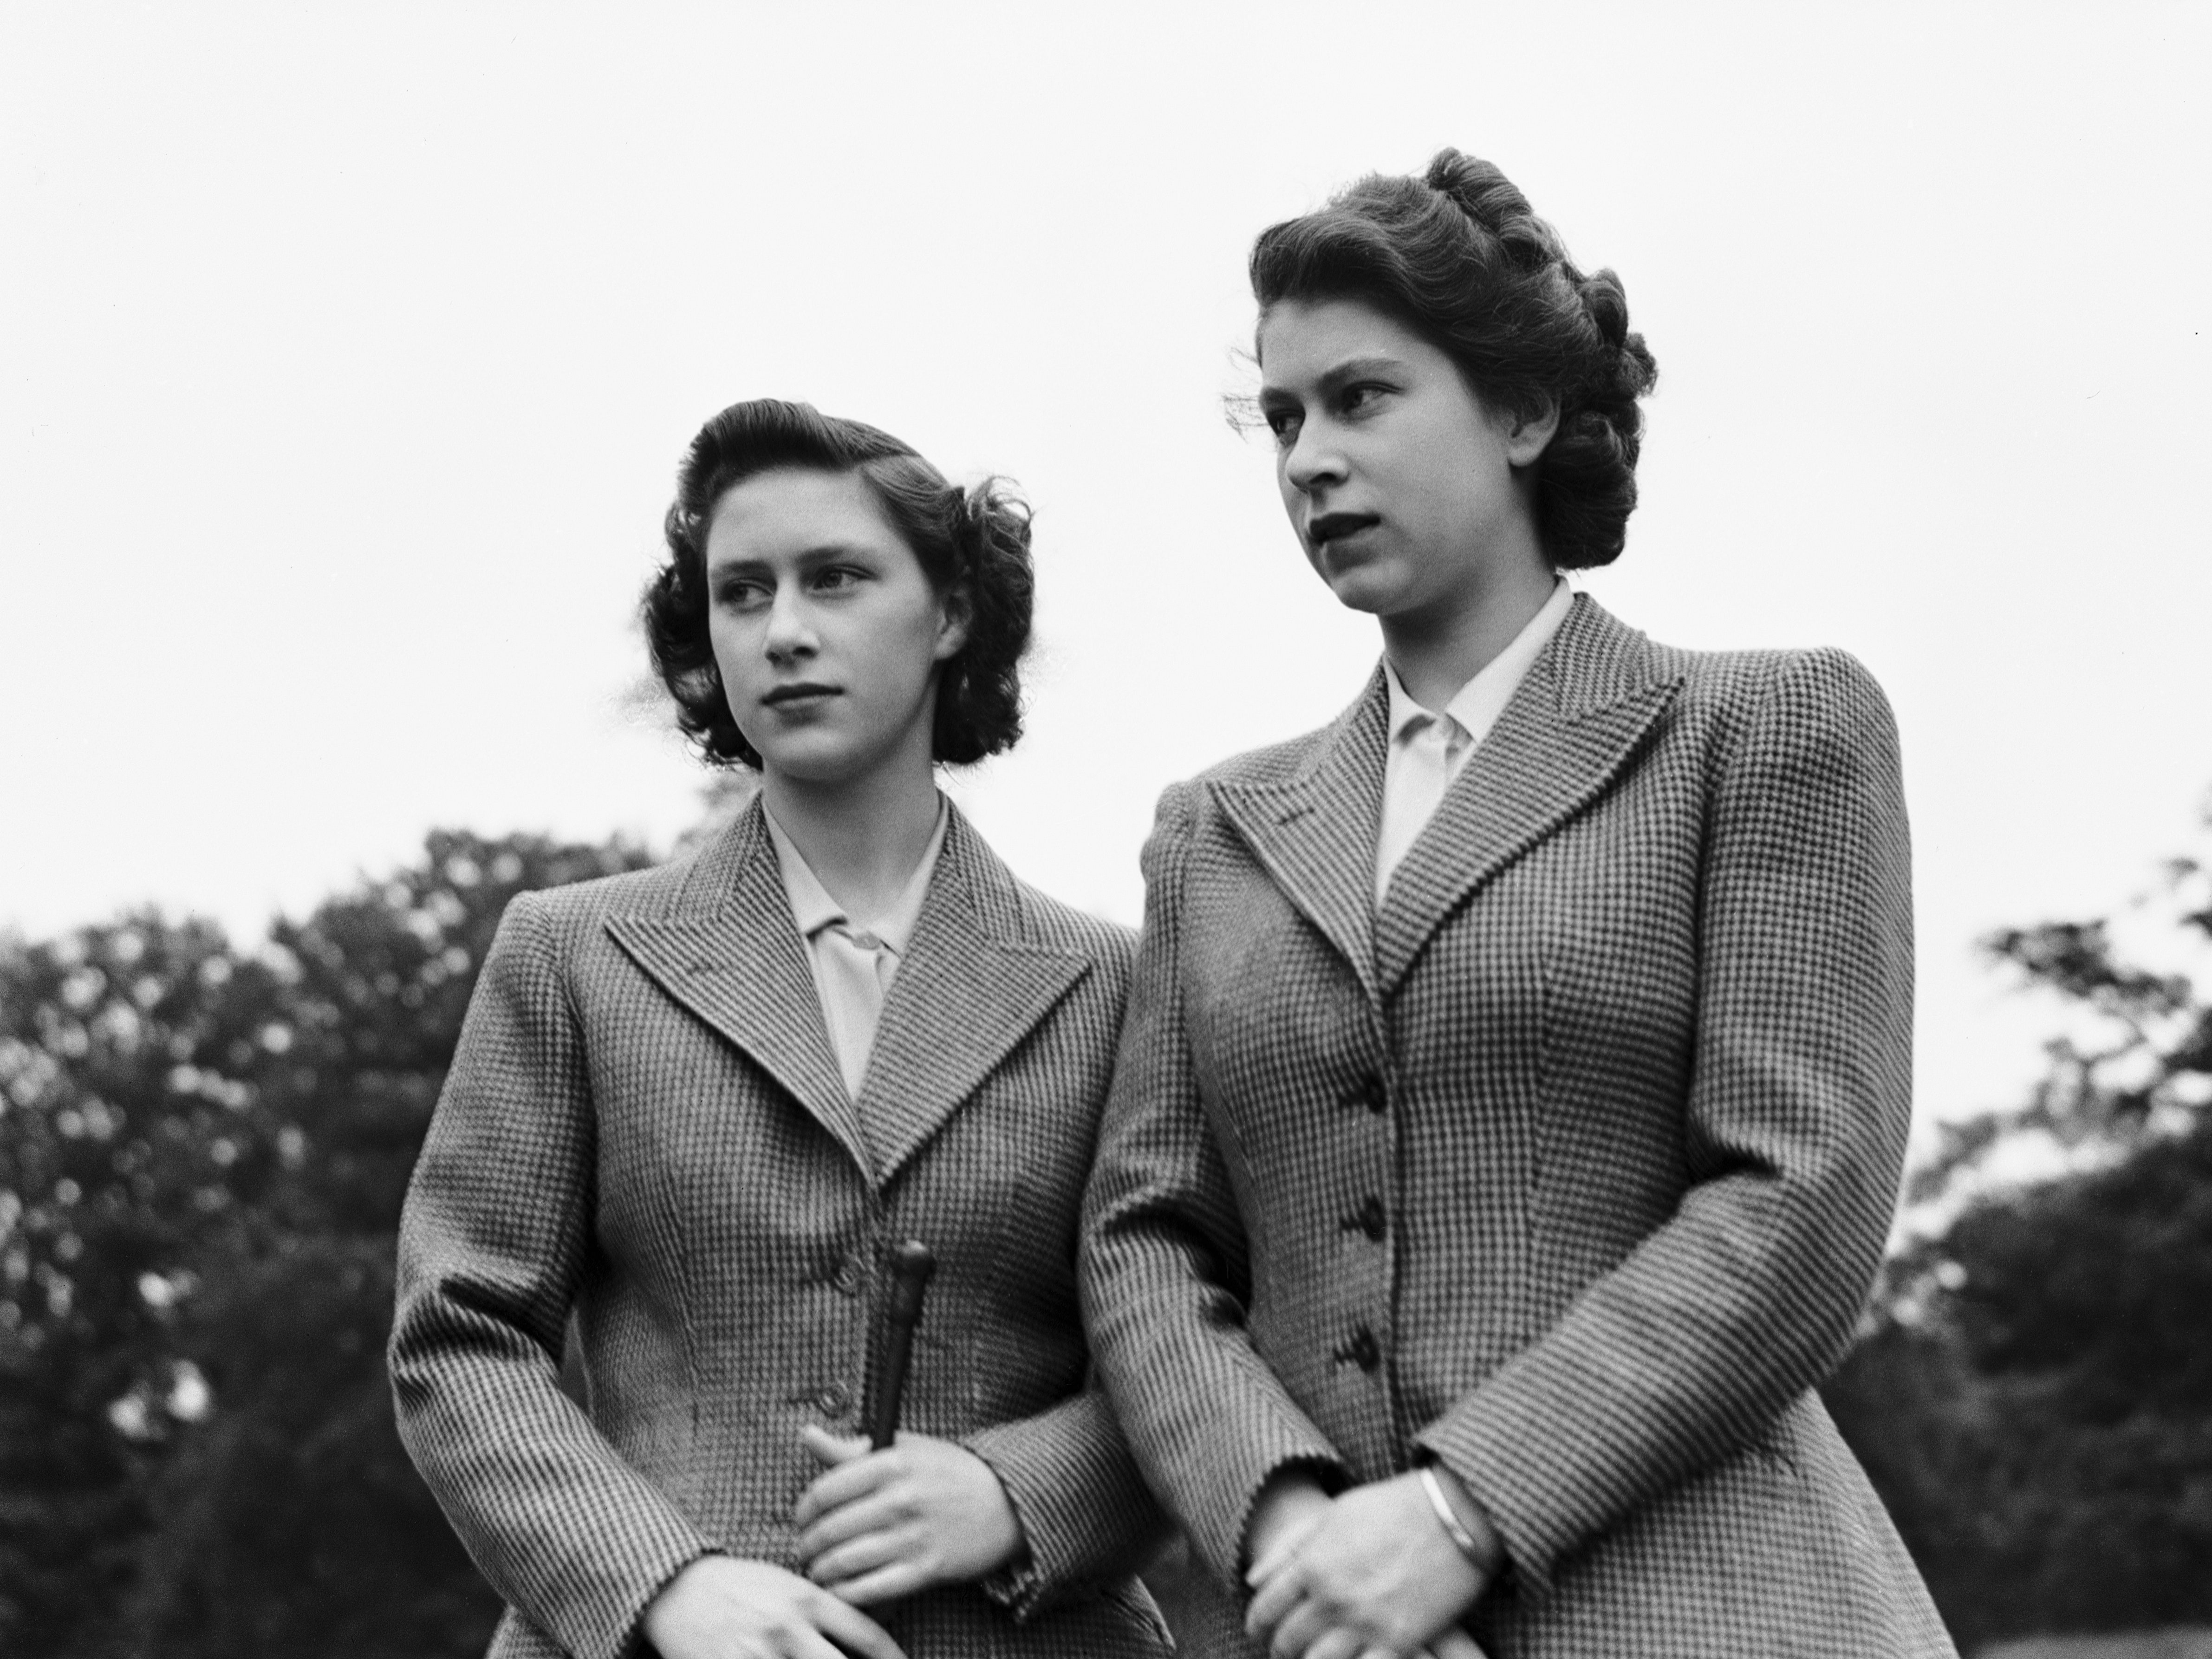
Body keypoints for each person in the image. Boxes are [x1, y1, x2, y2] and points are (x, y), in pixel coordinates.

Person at [1079, 151, 1959, 1659]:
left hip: (1716, 1604)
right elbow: (1145, 1242)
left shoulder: (1762, 731)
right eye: (1280, 419)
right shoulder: (1213, 830)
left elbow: (1797, 1195)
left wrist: (1455, 1513)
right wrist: (1293, 1538)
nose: (1305, 460)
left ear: (1523, 411)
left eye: (1360, 399)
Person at [391, 399, 1171, 1659]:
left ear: (954, 613)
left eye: (838, 579)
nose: (785, 632)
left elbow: (1195, 1348)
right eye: (741, 593)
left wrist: (1017, 1492)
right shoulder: (572, 954)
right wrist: (661, 1586)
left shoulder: (1115, 983)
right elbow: (459, 1338)